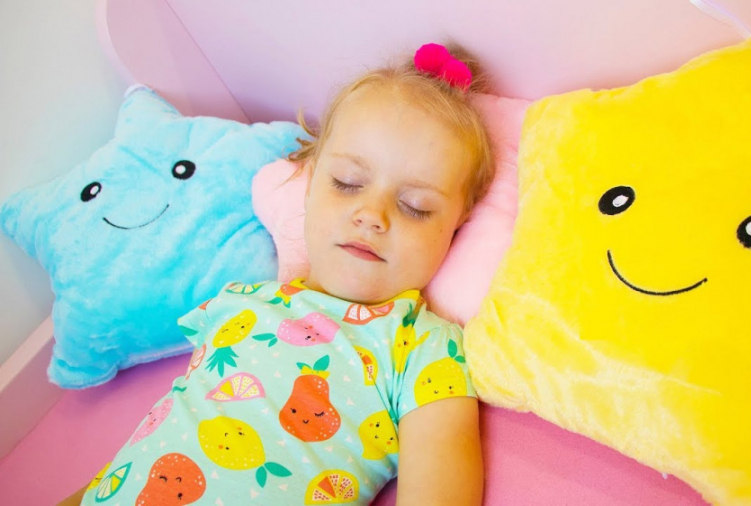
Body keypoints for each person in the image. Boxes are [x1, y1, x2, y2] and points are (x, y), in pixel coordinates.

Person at [61, 42, 493, 506]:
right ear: (310, 184)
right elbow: (153, 439)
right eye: (347, 183)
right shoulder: (238, 301)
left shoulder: (424, 348)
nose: (371, 215)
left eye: (414, 207)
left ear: (458, 226)